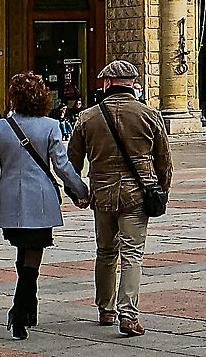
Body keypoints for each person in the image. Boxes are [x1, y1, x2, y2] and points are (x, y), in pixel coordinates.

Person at [0, 71, 93, 341]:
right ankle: (19, 308)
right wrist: (82, 191)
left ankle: (29, 307)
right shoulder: (50, 125)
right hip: (40, 199)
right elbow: (62, 166)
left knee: (23, 252)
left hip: (10, 200)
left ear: (14, 98)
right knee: (33, 254)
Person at [65, 59, 171, 338]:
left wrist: (77, 192)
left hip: (101, 194)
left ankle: (106, 309)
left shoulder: (87, 117)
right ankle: (128, 313)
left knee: (105, 252)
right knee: (132, 253)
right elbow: (164, 161)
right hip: (138, 193)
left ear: (108, 83)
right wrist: (162, 193)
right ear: (132, 83)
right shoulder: (149, 115)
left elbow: (71, 161)